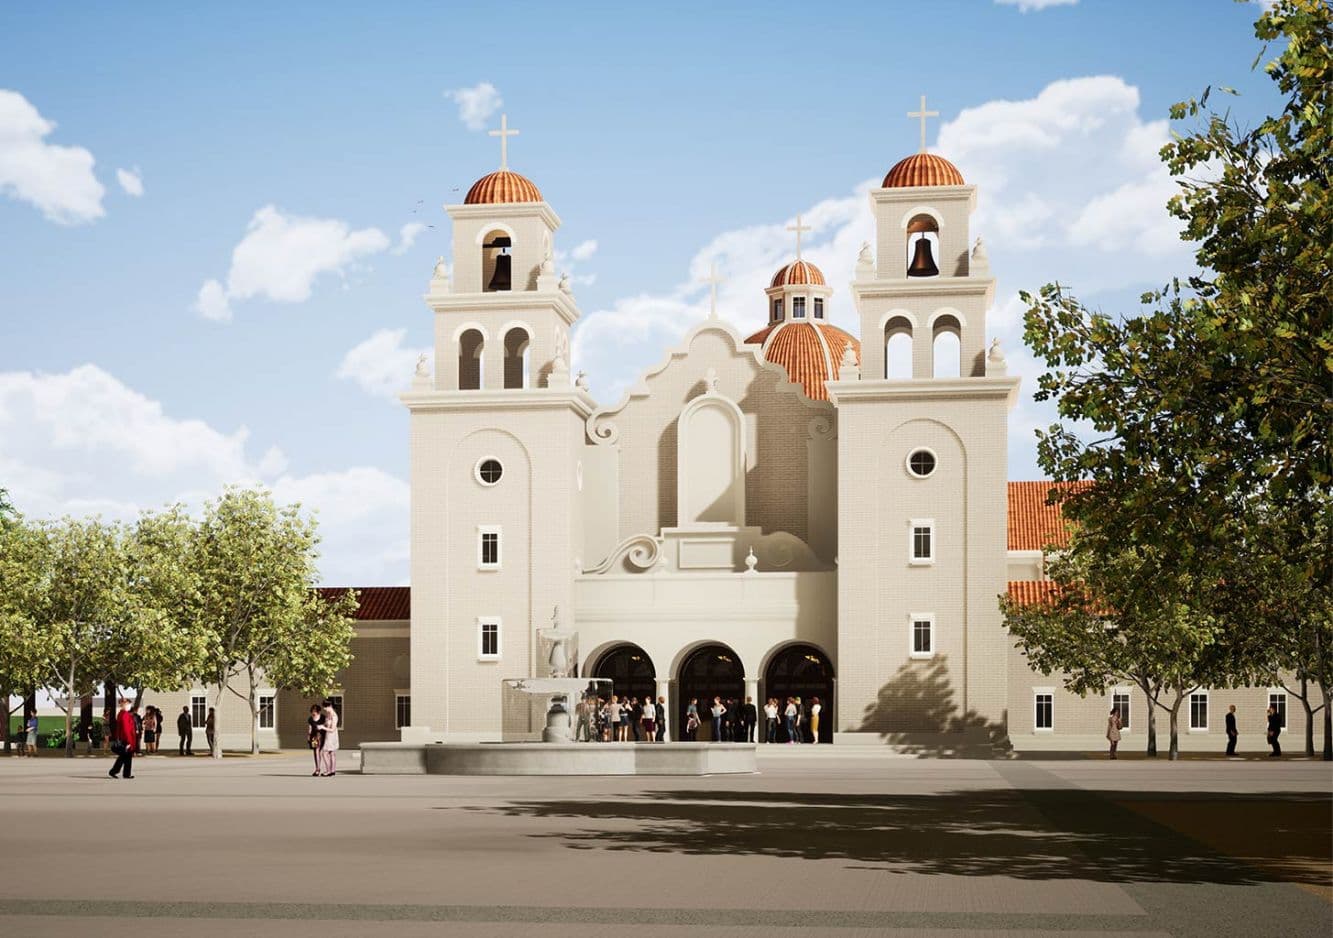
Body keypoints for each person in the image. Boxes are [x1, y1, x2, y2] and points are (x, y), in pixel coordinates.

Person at [107, 699, 137, 779]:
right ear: (123, 705)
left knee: (125, 757)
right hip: (126, 739)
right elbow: (126, 729)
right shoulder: (125, 715)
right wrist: (128, 741)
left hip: (123, 738)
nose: (129, 706)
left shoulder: (121, 714)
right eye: (128, 704)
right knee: (125, 756)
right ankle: (117, 772)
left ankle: (123, 773)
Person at [318, 699, 340, 776]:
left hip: (331, 736)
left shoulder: (334, 716)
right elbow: (326, 724)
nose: (324, 708)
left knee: (324, 753)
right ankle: (332, 770)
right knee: (331, 753)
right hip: (328, 735)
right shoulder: (328, 714)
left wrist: (322, 727)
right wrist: (322, 726)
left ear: (330, 706)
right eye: (324, 707)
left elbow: (332, 729)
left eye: (326, 707)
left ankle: (328, 771)